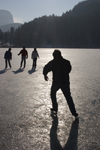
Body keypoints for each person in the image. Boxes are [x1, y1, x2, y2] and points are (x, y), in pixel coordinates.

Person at [43, 49, 78, 118]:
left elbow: (46, 68)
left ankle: (55, 108)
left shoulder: (53, 62)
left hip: (56, 82)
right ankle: (74, 113)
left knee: (53, 93)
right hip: (65, 82)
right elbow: (69, 70)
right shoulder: (67, 62)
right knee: (68, 97)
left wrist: (45, 74)